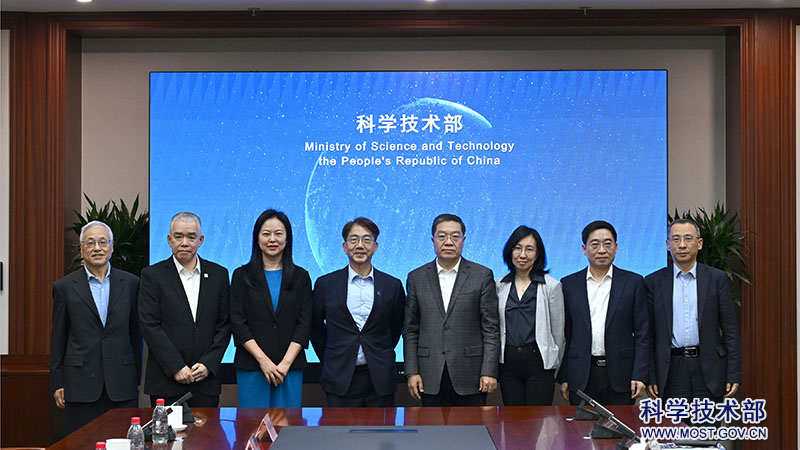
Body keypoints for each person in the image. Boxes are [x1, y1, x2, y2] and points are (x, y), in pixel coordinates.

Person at [49, 221, 142, 435]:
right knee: (82, 443)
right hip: (80, 384)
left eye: (102, 242)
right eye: (90, 243)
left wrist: (136, 378)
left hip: (122, 382)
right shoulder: (64, 287)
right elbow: (59, 338)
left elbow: (136, 336)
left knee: (122, 442)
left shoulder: (131, 283)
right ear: (81, 248)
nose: (97, 248)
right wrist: (57, 383)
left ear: (112, 246)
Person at [404, 213, 500, 406]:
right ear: (433, 240)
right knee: (432, 426)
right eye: (442, 236)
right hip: (429, 374)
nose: (448, 242)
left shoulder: (481, 275)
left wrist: (489, 371)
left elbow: (491, 328)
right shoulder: (416, 277)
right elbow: (410, 329)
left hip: (472, 374)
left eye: (455, 236)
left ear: (463, 240)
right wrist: (412, 371)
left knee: (472, 426)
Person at [311, 217, 406, 407]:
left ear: (375, 246)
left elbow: (396, 327)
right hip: (339, 379)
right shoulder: (325, 284)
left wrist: (378, 351)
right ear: (345, 247)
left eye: (367, 240)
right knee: (338, 428)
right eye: (353, 240)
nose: (360, 245)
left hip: (379, 380)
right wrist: (333, 356)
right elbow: (315, 328)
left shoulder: (392, 285)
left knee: (382, 428)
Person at [139, 212, 231, 407]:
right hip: (166, 382)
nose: (184, 243)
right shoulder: (152, 275)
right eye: (178, 236)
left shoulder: (219, 275)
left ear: (200, 240)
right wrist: (176, 367)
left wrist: (208, 364)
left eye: (191, 237)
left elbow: (225, 325)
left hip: (205, 381)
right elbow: (150, 325)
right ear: (169, 240)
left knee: (208, 429)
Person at [646, 218, 741, 402]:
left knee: (707, 421)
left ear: (699, 243)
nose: (682, 245)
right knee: (673, 422)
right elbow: (648, 335)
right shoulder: (653, 282)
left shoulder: (716, 279)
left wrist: (733, 373)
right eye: (676, 239)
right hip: (671, 370)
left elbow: (730, 330)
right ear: (668, 245)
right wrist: (650, 376)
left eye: (688, 238)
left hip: (709, 368)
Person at [556, 221, 649, 405]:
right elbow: (565, 335)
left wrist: (640, 374)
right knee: (581, 424)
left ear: (616, 247)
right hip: (581, 374)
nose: (602, 250)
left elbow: (643, 333)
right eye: (595, 244)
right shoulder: (569, 284)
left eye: (607, 244)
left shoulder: (633, 282)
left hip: (621, 374)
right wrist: (564, 376)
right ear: (584, 249)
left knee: (620, 423)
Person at [229, 210, 312, 407]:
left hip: (289, 369)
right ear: (257, 238)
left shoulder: (301, 277)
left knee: (288, 424)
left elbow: (304, 323)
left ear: (287, 238)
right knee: (253, 424)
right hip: (252, 367)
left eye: (278, 233)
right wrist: (263, 361)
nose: (272, 239)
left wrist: (285, 364)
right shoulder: (241, 276)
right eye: (266, 234)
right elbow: (238, 322)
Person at [496, 225, 565, 406]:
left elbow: (558, 333)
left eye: (529, 249)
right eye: (517, 248)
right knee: (513, 417)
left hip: (539, 362)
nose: (522, 255)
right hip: (508, 363)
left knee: (538, 418)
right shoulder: (500, 285)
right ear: (510, 251)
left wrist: (555, 362)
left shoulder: (551, 286)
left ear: (537, 254)